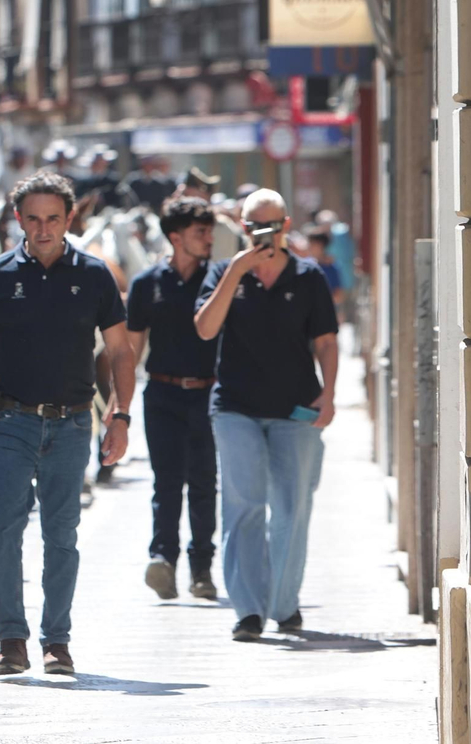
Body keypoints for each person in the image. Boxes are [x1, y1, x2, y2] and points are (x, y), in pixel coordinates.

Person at [0, 173, 135, 677]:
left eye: (53, 218)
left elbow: (120, 351)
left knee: (62, 536)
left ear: (69, 219)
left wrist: (119, 416)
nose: (43, 228)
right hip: (10, 420)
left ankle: (57, 641)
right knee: (3, 529)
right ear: (19, 220)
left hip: (74, 425)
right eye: (34, 218)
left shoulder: (95, 276)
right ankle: (11, 639)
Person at [193, 188, 339, 641]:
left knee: (292, 509)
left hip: (295, 409)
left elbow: (327, 342)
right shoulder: (223, 273)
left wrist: (329, 395)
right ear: (242, 225)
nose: (265, 234)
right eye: (255, 226)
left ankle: (284, 603)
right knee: (243, 506)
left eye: (273, 225)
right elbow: (204, 329)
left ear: (286, 225)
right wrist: (237, 270)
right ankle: (248, 611)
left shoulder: (308, 276)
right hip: (236, 408)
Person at [126, 197, 220, 602]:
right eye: (201, 232)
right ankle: (163, 558)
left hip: (209, 394)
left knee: (203, 484)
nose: (209, 239)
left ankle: (202, 570)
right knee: (165, 483)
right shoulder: (147, 284)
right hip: (161, 393)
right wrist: (118, 405)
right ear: (176, 237)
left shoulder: (219, 280)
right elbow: (130, 350)